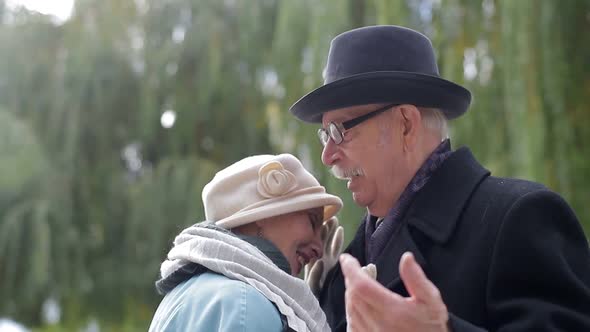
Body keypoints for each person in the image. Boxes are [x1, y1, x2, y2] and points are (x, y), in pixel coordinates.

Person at [289, 25, 590, 331]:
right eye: (324, 135)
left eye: (340, 130)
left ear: (406, 124)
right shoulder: (345, 263)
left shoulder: (521, 219)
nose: (328, 156)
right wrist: (304, 306)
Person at [148, 153, 343, 332]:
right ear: (264, 215)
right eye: (312, 221)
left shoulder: (177, 297)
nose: (319, 247)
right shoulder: (247, 304)